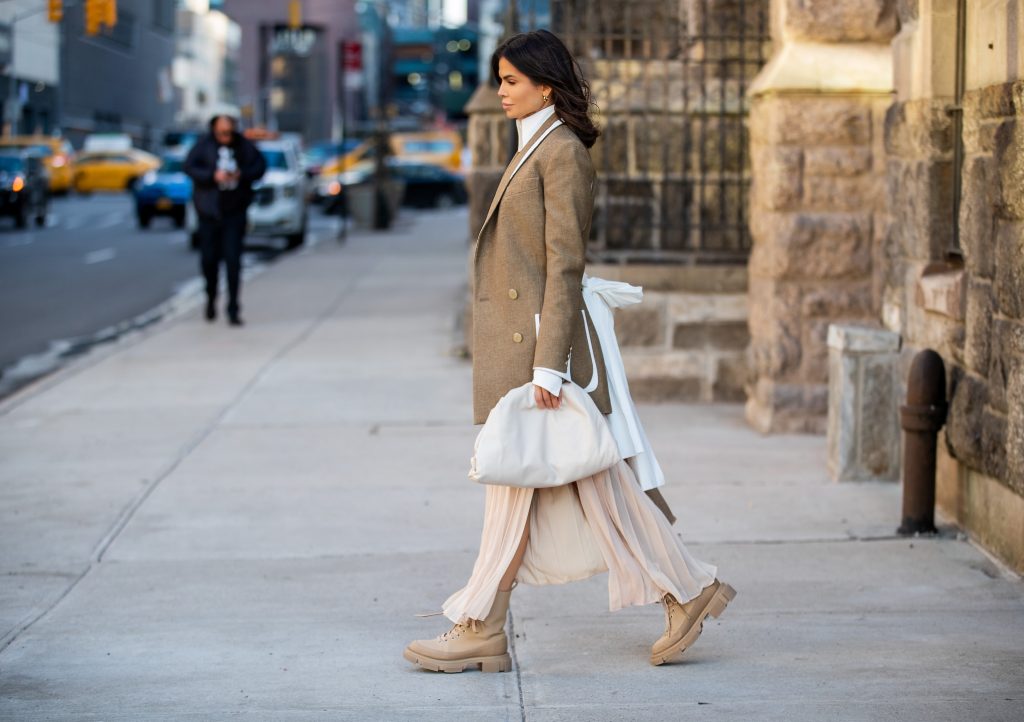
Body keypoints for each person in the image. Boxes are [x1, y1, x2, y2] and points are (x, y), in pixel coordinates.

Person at [404, 30, 735, 673]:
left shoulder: (560, 154)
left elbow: (564, 269)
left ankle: (482, 626)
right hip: (526, 345)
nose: (499, 92)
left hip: (543, 349)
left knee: (546, 482)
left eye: (510, 81)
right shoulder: (534, 145)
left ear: (544, 87)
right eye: (499, 79)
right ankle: (681, 592)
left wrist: (548, 366)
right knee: (571, 488)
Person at [184, 115, 266, 326]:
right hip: (209, 213)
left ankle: (233, 308)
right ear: (214, 131)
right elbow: (190, 167)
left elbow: (259, 167)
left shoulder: (243, 146)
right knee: (209, 261)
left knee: (233, 261)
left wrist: (241, 174)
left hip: (234, 213)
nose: (225, 137)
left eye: (229, 132)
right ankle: (211, 298)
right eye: (221, 133)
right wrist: (213, 175)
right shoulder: (203, 145)